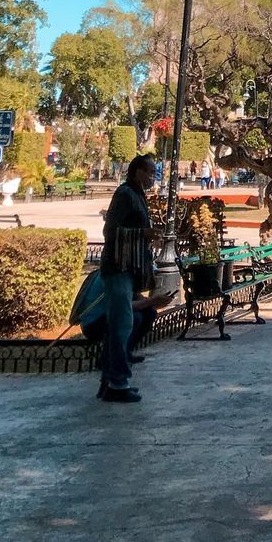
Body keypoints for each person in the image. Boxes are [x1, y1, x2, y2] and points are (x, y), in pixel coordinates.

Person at [98, 153, 160, 403]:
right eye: (149, 172)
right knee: (121, 325)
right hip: (118, 267)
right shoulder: (125, 195)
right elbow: (110, 231)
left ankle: (110, 379)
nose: (152, 177)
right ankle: (117, 383)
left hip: (127, 267)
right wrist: (143, 233)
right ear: (137, 172)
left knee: (121, 325)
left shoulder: (136, 194)